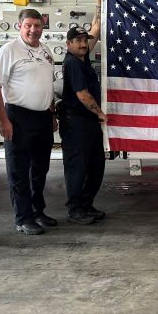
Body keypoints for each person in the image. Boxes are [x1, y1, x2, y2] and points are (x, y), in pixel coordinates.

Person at [0, 9, 58, 235]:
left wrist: (52, 114)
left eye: (37, 26)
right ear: (19, 26)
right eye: (28, 25)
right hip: (18, 117)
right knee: (19, 171)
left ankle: (38, 211)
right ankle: (23, 217)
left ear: (42, 27)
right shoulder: (9, 51)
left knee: (40, 169)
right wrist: (3, 119)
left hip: (43, 118)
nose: (33, 30)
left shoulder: (46, 51)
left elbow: (46, 85)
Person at [59, 12, 108, 224]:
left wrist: (99, 3)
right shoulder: (72, 63)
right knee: (77, 167)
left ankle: (86, 205)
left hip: (87, 123)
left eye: (84, 40)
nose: (83, 44)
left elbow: (94, 33)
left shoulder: (83, 57)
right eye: (77, 40)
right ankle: (75, 208)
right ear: (68, 43)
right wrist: (100, 113)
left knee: (95, 166)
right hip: (76, 123)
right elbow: (82, 94)